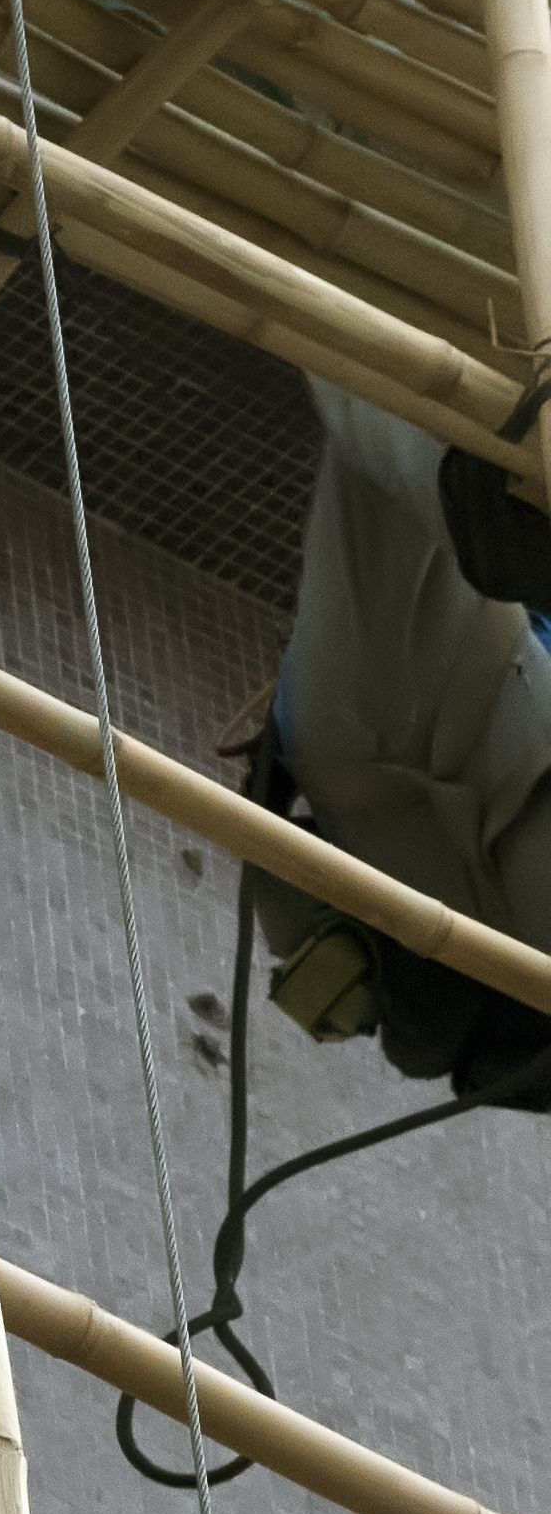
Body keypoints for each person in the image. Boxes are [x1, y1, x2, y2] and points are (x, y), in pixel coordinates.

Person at [243, 388, 551, 1105]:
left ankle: (485, 465)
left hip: (387, 777)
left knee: (374, 384)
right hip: (423, 737)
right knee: (382, 390)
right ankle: (482, 466)